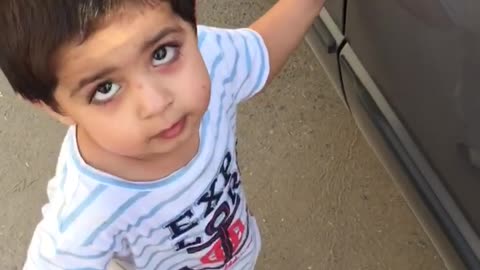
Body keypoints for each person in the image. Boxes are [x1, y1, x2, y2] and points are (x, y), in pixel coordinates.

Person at [0, 0, 325, 269]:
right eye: (105, 89)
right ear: (53, 107)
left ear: (192, 21)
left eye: (161, 54)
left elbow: (260, 53)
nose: (156, 104)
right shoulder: (86, 212)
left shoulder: (212, 58)